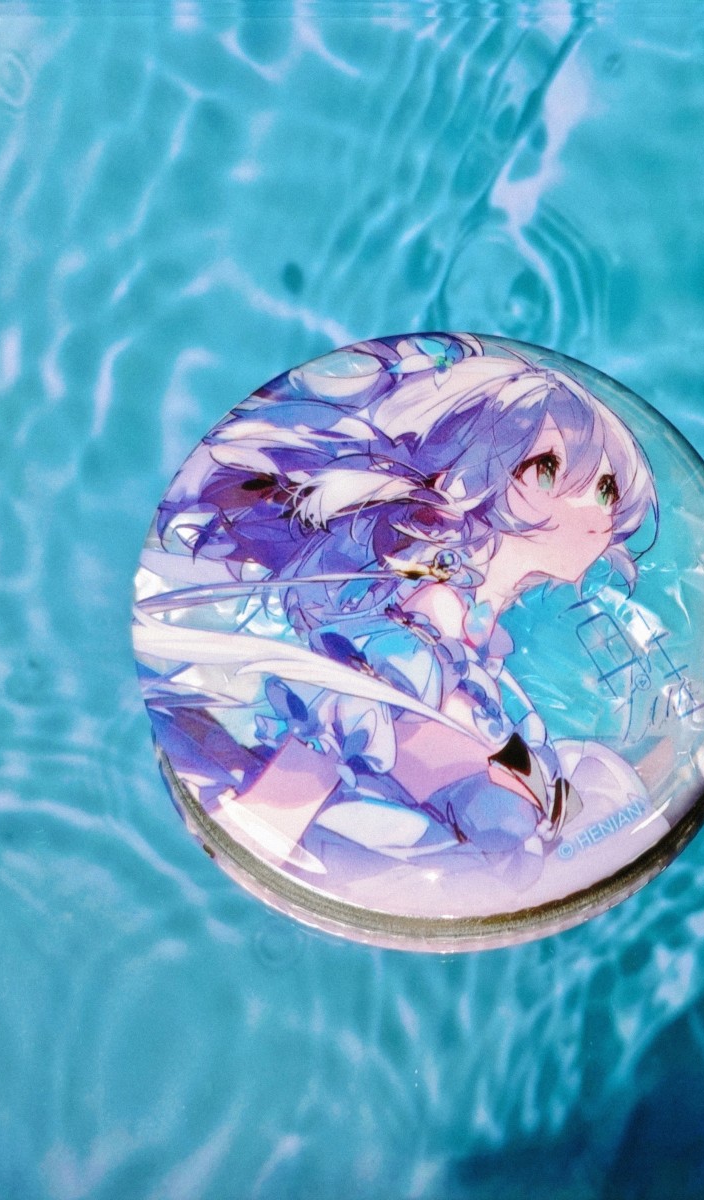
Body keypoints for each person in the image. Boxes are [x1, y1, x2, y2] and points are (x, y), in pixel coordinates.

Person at [133, 334, 661, 892]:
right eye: (549, 471)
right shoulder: (425, 621)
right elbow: (336, 727)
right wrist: (257, 834)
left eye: (606, 488)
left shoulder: (473, 638)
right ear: (466, 480)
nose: (594, 511)